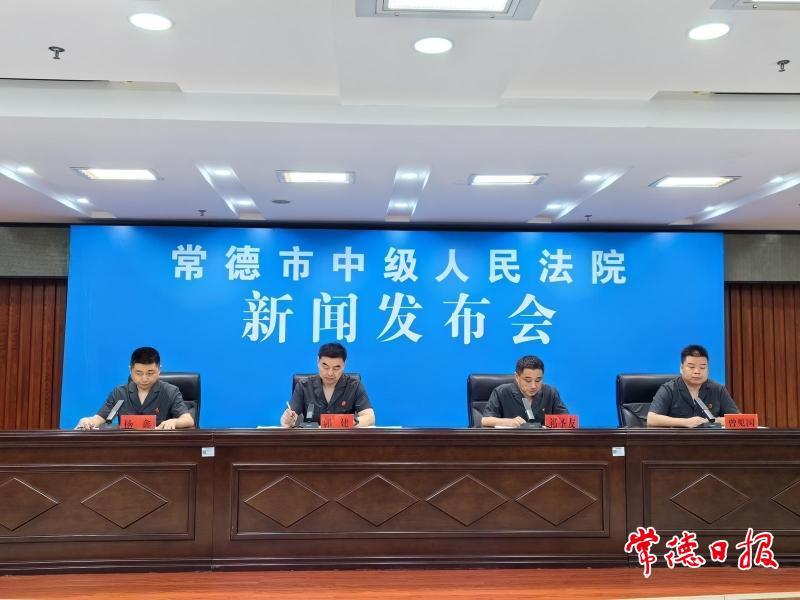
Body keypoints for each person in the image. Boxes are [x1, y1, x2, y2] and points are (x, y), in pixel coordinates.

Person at [75, 346, 195, 430]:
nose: (144, 378)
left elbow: (188, 419)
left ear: (159, 370)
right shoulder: (120, 393)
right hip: (126, 447)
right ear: (130, 370)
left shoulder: (170, 391)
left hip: (158, 447)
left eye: (150, 373)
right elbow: (100, 418)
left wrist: (175, 421)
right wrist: (88, 421)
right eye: (139, 373)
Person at [281, 342, 375, 428]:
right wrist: (288, 420)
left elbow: (370, 418)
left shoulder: (354, 386)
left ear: (344, 365)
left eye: (336, 368)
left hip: (344, 439)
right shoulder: (304, 386)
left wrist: (346, 422)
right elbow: (286, 421)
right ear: (318, 361)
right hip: (312, 439)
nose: (330, 373)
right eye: (325, 367)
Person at [647, 344, 740, 428]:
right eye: (691, 367)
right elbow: (651, 419)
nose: (697, 371)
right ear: (681, 368)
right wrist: (685, 422)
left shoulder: (718, 389)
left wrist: (715, 420)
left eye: (702, 367)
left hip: (709, 439)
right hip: (677, 439)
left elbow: (738, 419)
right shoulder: (669, 389)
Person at [481, 355, 568, 428]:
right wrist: (508, 422)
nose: (533, 386)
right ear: (517, 377)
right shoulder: (501, 392)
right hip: (511, 441)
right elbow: (485, 420)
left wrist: (547, 425)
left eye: (538, 380)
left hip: (543, 442)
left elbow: (568, 421)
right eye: (528, 380)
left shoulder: (550, 392)